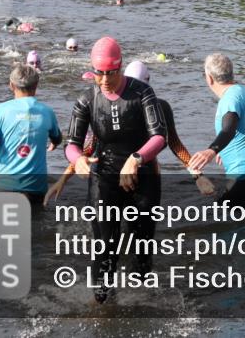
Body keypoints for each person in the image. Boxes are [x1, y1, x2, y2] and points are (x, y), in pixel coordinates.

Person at [63, 37, 166, 302]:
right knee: (105, 246)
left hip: (142, 178)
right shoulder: (87, 100)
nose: (105, 79)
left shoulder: (142, 93)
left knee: (141, 246)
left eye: (111, 73)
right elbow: (71, 145)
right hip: (104, 178)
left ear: (120, 68)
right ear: (93, 71)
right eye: (100, 73)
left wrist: (136, 158)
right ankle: (102, 304)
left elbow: (159, 137)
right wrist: (78, 160)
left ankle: (141, 304)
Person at [46, 60, 213, 204]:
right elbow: (90, 148)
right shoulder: (109, 107)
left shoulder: (158, 107)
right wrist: (63, 179)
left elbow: (174, 143)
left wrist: (197, 176)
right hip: (110, 171)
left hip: (144, 169)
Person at [188, 53, 245, 205]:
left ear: (210, 78)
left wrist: (211, 151)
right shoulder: (241, 91)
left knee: (222, 212)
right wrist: (224, 149)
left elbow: (229, 129)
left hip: (244, 174)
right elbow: (244, 128)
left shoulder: (230, 99)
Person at [0, 64, 61, 205]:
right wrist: (54, 143)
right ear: (36, 85)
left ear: (11, 85)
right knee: (36, 225)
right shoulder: (47, 111)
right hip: (35, 186)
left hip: (3, 185)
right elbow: (57, 138)